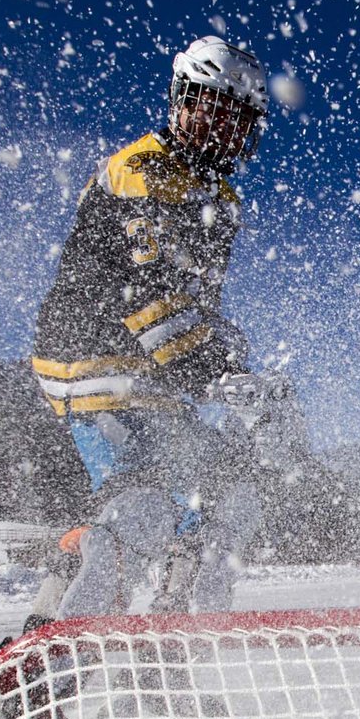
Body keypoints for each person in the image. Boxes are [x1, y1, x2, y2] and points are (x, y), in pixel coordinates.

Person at [30, 35, 288, 617]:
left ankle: (171, 639)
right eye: (214, 113)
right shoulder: (141, 170)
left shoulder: (220, 196)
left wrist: (240, 370)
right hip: (90, 357)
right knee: (140, 507)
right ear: (181, 102)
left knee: (229, 490)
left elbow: (196, 303)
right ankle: (42, 666)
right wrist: (216, 374)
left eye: (239, 121)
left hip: (151, 368)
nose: (226, 132)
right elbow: (147, 294)